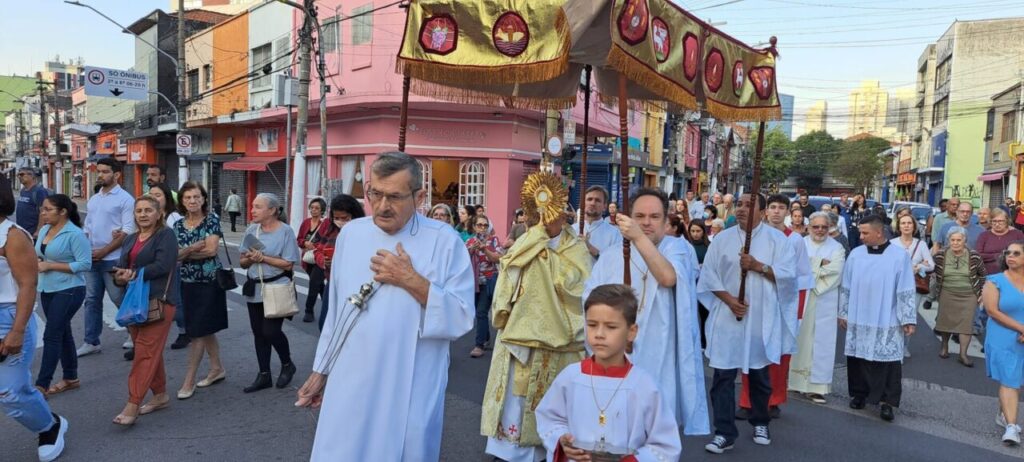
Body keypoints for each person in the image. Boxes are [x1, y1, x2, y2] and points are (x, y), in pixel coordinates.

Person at [296, 152, 474, 461]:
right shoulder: (352, 234)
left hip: (410, 380)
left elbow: (461, 317)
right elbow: (337, 312)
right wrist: (321, 370)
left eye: (394, 197)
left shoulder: (444, 241)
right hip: (351, 375)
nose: (381, 206)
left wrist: (411, 280)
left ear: (419, 197)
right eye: (375, 194)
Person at [482, 176, 593, 462]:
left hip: (557, 339)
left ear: (563, 214)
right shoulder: (526, 240)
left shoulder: (575, 247)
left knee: (550, 401)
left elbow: (579, 286)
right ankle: (508, 451)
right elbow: (508, 273)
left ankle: (548, 449)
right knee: (514, 399)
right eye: (541, 211)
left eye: (552, 212)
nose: (546, 217)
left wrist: (546, 260)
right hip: (518, 336)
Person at [583, 188, 709, 437]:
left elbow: (667, 277)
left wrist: (638, 237)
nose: (646, 222)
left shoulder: (676, 248)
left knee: (654, 427)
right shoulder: (611, 255)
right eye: (639, 216)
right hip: (617, 352)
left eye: (654, 217)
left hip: (660, 350)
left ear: (665, 221)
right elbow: (589, 299)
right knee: (614, 428)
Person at [535, 284, 682, 461]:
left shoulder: (645, 386)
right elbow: (550, 418)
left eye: (611, 327)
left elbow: (665, 446)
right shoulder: (571, 377)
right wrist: (562, 441)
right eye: (592, 325)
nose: (599, 334)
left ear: (631, 332)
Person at [699, 193, 798, 453]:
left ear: (762, 212)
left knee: (758, 375)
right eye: (739, 204)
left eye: (749, 205)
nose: (742, 209)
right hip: (727, 316)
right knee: (722, 377)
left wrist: (758, 266)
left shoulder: (778, 240)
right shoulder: (722, 239)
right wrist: (730, 301)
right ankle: (724, 432)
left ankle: (760, 421)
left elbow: (789, 277)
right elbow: (708, 276)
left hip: (760, 318)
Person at [0, 177, 69, 461]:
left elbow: (28, 284)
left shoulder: (12, 235)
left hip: (8, 317)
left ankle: (49, 425)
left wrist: (17, 331)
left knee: (10, 392)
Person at [736, 194, 812, 420]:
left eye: (781, 207)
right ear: (765, 211)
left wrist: (796, 312)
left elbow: (801, 277)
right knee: (751, 350)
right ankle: (747, 400)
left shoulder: (795, 240)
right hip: (756, 301)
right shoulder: (754, 237)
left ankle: (773, 400)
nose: (776, 211)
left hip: (782, 304)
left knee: (778, 354)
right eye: (772, 207)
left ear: (788, 212)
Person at [839, 214, 916, 422]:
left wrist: (907, 318)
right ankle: (859, 394)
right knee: (858, 358)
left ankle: (887, 402)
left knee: (887, 361)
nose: (861, 237)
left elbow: (906, 288)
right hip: (859, 314)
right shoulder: (856, 254)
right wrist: (843, 312)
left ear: (879, 232)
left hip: (886, 315)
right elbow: (846, 284)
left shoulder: (899, 256)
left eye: (865, 233)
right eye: (860, 233)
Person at [110, 195, 179, 425]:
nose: (143, 214)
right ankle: (160, 395)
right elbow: (122, 267)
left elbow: (163, 265)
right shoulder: (130, 238)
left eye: (148, 210)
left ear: (159, 214)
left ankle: (133, 402)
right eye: (139, 211)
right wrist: (120, 277)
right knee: (146, 349)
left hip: (158, 300)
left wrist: (134, 273)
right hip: (134, 302)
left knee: (145, 352)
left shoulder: (166, 235)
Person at [238, 193, 300, 393]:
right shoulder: (252, 230)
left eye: (258, 207)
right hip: (255, 287)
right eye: (252, 206)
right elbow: (242, 262)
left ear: (272, 210)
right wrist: (251, 258)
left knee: (270, 331)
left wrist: (262, 258)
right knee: (258, 333)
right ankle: (264, 374)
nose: (252, 210)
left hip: (277, 287)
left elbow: (288, 264)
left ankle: (287, 364)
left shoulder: (285, 231)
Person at [173, 182, 229, 399]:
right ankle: (217, 368)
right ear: (182, 201)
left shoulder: (211, 220)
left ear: (204, 199)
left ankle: (189, 381)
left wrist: (185, 253)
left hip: (209, 282)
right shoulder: (178, 225)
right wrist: (192, 249)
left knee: (196, 331)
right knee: (204, 328)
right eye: (188, 197)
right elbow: (174, 255)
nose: (192, 201)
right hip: (187, 282)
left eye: (197, 197)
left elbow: (211, 250)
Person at [34, 195, 91, 397]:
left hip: (70, 288)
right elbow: (40, 254)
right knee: (62, 331)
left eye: (48, 209)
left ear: (63, 212)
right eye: (42, 209)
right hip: (47, 288)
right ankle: (71, 377)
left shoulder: (75, 234)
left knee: (52, 334)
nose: (43, 213)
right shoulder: (45, 230)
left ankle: (42, 385)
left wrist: (51, 266)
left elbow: (85, 264)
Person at [78, 157, 135, 357]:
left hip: (113, 259)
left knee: (119, 298)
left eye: (104, 171)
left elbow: (128, 230)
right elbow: (87, 228)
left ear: (116, 174)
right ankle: (91, 341)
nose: (100, 175)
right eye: (99, 171)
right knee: (92, 300)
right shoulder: (94, 199)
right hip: (92, 259)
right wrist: (86, 249)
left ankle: (134, 334)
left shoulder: (126, 199)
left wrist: (104, 251)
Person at [789, 212, 845, 403]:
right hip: (800, 297)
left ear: (830, 228)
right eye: (816, 226)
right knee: (800, 338)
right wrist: (820, 263)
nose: (820, 230)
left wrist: (810, 269)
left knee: (822, 343)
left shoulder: (837, 248)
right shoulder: (800, 244)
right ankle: (795, 382)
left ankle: (816, 388)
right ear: (808, 227)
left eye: (824, 227)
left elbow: (836, 271)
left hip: (824, 298)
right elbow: (793, 268)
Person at [981, 241, 1024, 445]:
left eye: (1016, 253)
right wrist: (1021, 328)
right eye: (1008, 253)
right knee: (1010, 379)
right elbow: (992, 311)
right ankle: (1011, 428)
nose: (1010, 256)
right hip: (1002, 336)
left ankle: (1003, 413)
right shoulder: (995, 281)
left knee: (1016, 378)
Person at [932, 227, 986, 367]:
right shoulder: (941, 255)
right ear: (948, 241)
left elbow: (982, 275)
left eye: (959, 240)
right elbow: (931, 268)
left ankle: (963, 354)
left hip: (969, 295)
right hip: (947, 292)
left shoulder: (974, 256)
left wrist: (982, 292)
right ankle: (944, 346)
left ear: (965, 241)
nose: (955, 243)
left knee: (966, 325)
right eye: (952, 240)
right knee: (945, 322)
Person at [312, 194, 365, 331]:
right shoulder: (328, 226)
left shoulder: (363, 230)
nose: (340, 221)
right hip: (333, 282)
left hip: (355, 284)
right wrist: (324, 261)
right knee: (324, 323)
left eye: (345, 218)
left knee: (350, 324)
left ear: (354, 215)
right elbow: (317, 249)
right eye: (337, 218)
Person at [147, 182, 187, 352]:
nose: (154, 198)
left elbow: (182, 242)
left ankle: (184, 331)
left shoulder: (174, 218)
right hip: (152, 265)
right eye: (151, 195)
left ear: (167, 198)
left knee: (174, 301)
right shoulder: (149, 215)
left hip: (172, 266)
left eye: (158, 195)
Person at [892, 214, 935, 355]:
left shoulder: (921, 244)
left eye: (909, 223)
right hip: (894, 285)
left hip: (914, 286)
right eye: (903, 223)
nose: (906, 226)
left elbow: (931, 265)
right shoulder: (891, 243)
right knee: (894, 316)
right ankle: (894, 345)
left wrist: (919, 267)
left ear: (914, 226)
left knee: (910, 317)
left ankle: (904, 346)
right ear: (898, 226)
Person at [467, 214, 503, 358]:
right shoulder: (470, 241)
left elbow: (498, 258)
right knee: (478, 312)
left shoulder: (494, 240)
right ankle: (486, 337)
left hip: (489, 280)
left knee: (482, 312)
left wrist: (485, 250)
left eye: (485, 225)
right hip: (474, 282)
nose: (482, 228)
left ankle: (479, 344)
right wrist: (471, 250)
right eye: (479, 225)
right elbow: (461, 261)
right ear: (474, 226)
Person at [297, 198, 328, 323]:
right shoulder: (305, 223)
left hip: (319, 258)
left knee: (314, 283)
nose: (313, 210)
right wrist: (304, 243)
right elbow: (299, 239)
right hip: (308, 258)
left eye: (317, 208)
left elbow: (327, 241)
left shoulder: (325, 224)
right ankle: (329, 308)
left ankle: (308, 311)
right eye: (312, 207)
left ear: (322, 210)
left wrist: (315, 246)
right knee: (319, 285)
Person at [977, 209, 1024, 276]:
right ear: (990, 221)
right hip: (988, 275)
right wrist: (999, 255)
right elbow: (978, 256)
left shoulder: (1017, 234)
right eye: (994, 221)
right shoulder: (984, 235)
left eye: (1000, 221)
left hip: (1013, 275)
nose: (997, 224)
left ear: (1007, 221)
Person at [581, 186, 622, 259]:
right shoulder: (572, 229)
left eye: (597, 200)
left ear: (605, 206)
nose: (592, 203)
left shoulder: (615, 234)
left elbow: (617, 261)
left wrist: (591, 249)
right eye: (589, 199)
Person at [16, 166, 49, 236]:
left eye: (22, 174)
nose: (19, 177)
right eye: (18, 175)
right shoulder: (23, 190)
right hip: (22, 231)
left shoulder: (39, 191)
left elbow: (43, 212)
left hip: (33, 233)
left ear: (31, 176)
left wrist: (39, 230)